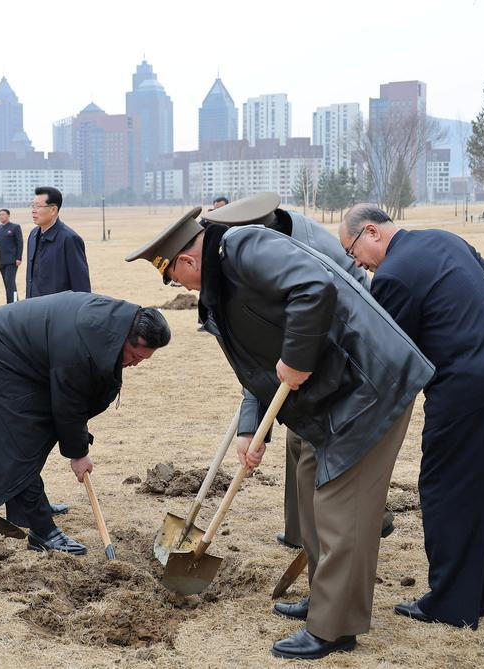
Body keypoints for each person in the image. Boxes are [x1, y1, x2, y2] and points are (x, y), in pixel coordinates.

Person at [127, 208, 434, 660]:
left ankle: (335, 627)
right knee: (309, 493)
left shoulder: (244, 247)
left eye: (176, 279)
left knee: (340, 508)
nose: (183, 289)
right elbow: (254, 366)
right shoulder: (221, 285)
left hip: (368, 384)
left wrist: (296, 357)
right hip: (326, 397)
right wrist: (253, 431)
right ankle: (323, 595)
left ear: (187, 262)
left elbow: (314, 287)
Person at [340, 204, 484, 631]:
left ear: (372, 232)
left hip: (468, 388)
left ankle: (451, 603)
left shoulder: (392, 276)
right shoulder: (443, 238)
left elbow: (388, 348)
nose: (356, 262)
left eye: (353, 249)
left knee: (445, 489)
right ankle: (481, 592)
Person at [199, 192, 392, 551]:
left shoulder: (292, 254)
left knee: (312, 447)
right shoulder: (259, 259)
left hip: (347, 359)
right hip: (313, 361)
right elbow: (261, 359)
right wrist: (250, 428)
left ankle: (362, 520)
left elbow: (316, 319)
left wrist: (292, 367)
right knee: (297, 441)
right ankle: (299, 531)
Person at [0, 293, 170, 555]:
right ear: (127, 336)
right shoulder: (83, 343)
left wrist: (77, 442)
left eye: (143, 360)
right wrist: (78, 454)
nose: (135, 364)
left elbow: (71, 401)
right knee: (16, 441)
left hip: (15, 359)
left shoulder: (115, 323)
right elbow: (69, 402)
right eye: (135, 356)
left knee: (37, 429)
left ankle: (32, 504)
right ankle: (42, 531)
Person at [26, 186, 90, 298]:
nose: (33, 210)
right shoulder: (33, 235)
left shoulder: (69, 239)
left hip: (58, 312)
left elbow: (81, 286)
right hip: (34, 309)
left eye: (38, 206)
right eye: (32, 205)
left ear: (53, 210)